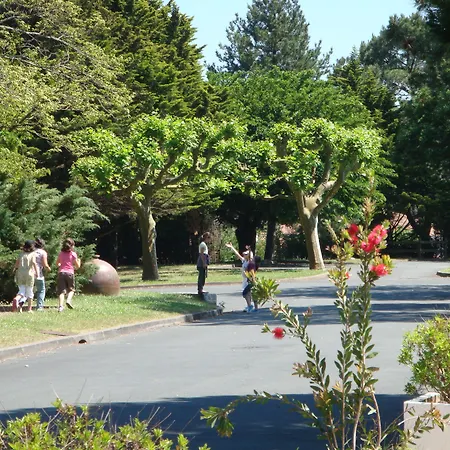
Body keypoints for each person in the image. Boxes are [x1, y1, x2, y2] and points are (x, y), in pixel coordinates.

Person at [226, 242, 257, 312]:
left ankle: (251, 306)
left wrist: (249, 250)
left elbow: (250, 257)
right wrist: (232, 247)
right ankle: (251, 306)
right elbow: (237, 254)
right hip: (245, 280)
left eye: (246, 254)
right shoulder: (244, 261)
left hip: (249, 280)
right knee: (249, 293)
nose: (244, 255)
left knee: (246, 293)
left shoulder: (250, 262)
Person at [12, 240, 39, 313]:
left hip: (20, 274)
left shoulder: (21, 254)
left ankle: (17, 300)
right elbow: (34, 263)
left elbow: (17, 263)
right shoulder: (33, 254)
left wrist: (14, 270)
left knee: (22, 291)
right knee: (30, 292)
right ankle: (29, 309)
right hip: (29, 274)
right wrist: (37, 273)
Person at [56, 238, 81, 312]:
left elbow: (57, 263)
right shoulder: (73, 254)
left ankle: (60, 307)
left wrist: (60, 264)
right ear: (71, 246)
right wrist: (79, 261)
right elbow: (77, 266)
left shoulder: (61, 253)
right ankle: (68, 300)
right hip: (70, 273)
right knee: (71, 289)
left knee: (61, 291)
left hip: (61, 273)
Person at [34, 238, 51, 311]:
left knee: (27, 290)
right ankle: (39, 307)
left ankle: (20, 304)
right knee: (41, 290)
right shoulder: (43, 252)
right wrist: (49, 269)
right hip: (38, 274)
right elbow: (45, 264)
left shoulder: (31, 251)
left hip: (28, 273)